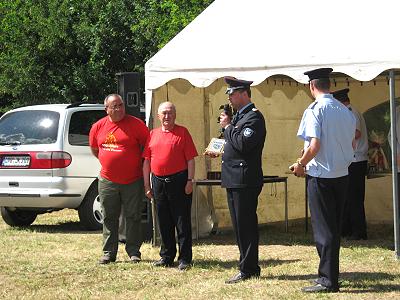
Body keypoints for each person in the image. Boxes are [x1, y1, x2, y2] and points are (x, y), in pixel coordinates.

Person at [290, 68, 356, 293]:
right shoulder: (344, 110)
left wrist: (300, 164)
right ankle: (330, 276)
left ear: (311, 86)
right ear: (329, 85)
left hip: (322, 176)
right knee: (333, 229)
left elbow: (314, 145)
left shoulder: (314, 110)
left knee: (323, 230)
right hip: (342, 174)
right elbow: (353, 143)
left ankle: (328, 280)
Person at [213, 77, 266, 284]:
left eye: (232, 94)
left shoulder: (254, 118)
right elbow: (233, 143)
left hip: (244, 179)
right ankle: (246, 265)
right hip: (234, 178)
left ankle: (249, 268)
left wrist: (227, 128)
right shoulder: (239, 118)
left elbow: (243, 144)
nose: (230, 98)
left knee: (246, 225)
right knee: (240, 225)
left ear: (244, 93)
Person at [89, 93, 149, 264]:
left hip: (133, 180)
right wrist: (110, 162)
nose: (118, 109)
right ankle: (109, 253)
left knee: (133, 216)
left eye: (120, 105)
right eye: (114, 106)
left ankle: (133, 251)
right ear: (106, 109)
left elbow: (147, 147)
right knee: (109, 216)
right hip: (108, 180)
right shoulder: (98, 126)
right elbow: (95, 149)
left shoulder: (136, 124)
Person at [143, 101, 198, 271]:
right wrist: (147, 185)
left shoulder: (183, 133)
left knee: (182, 221)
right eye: (164, 113)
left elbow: (190, 159)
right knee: (164, 221)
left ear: (175, 115)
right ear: (159, 116)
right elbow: (147, 162)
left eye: (170, 113)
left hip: (179, 182)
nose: (167, 116)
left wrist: (190, 181)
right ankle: (166, 256)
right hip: (158, 182)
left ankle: (185, 258)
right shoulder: (152, 134)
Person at [332, 88, 369, 240]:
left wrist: (338, 138)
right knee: (348, 197)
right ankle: (347, 229)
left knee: (354, 197)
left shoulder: (350, 111)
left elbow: (356, 133)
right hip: (351, 160)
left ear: (340, 101)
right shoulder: (348, 111)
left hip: (356, 160)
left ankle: (359, 231)